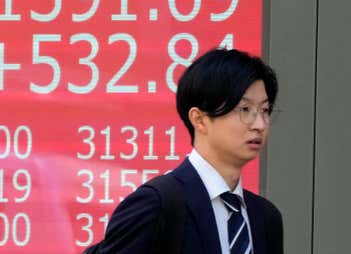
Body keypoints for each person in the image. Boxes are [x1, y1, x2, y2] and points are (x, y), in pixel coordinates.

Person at [87, 48, 283, 254]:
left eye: (265, 110)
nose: (260, 124)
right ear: (199, 119)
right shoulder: (157, 205)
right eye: (245, 110)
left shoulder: (265, 218)